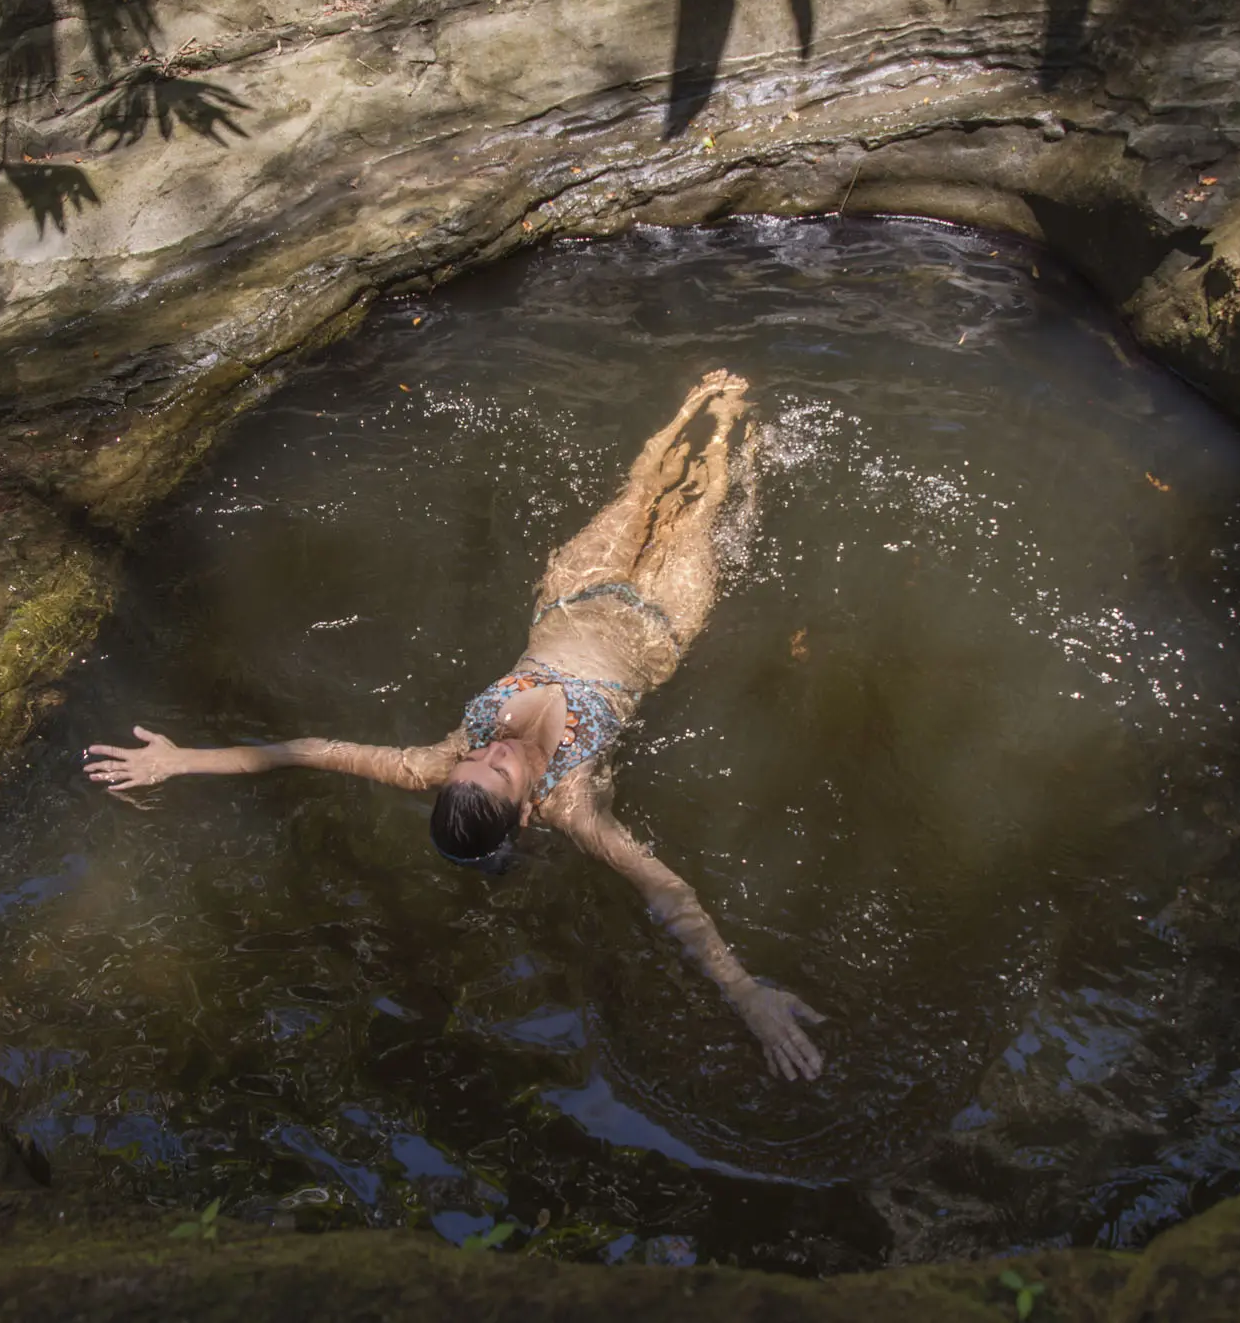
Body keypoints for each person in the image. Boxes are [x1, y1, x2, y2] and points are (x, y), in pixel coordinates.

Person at [83, 370, 826, 1081]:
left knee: (639, 493)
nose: (492, 747)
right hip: (659, 627)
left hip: (570, 593)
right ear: (528, 810)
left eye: (476, 757)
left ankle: (693, 402)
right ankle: (728, 423)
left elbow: (303, 750)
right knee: (697, 508)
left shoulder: (439, 761)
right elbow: (669, 896)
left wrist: (179, 760)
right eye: (498, 768)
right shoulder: (574, 804)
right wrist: (745, 994)